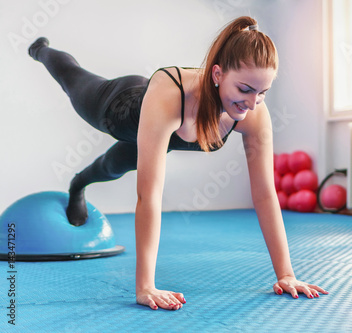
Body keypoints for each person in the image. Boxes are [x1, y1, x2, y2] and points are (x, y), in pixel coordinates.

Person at [28, 16, 328, 311]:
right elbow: (149, 195)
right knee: (72, 78)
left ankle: (78, 184)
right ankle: (42, 50)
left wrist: (286, 274)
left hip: (162, 137)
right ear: (217, 74)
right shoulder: (172, 93)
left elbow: (265, 194)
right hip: (119, 109)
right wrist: (145, 286)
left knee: (111, 167)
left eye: (262, 93)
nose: (252, 103)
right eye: (245, 90)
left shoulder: (253, 113)